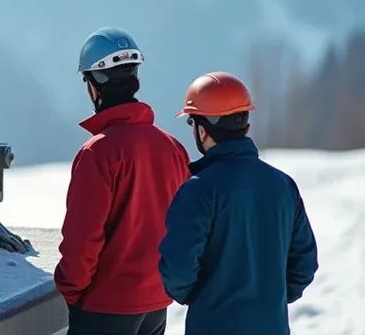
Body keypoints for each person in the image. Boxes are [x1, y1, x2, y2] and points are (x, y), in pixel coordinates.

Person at [158, 72, 319, 335]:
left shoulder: (197, 190)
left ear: (202, 129)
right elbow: (304, 264)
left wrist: (203, 298)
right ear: (245, 124)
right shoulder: (283, 185)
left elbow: (177, 269)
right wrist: (269, 299)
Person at [54, 28, 191, 335]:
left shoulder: (97, 153)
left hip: (104, 308)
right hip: (155, 305)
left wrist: (71, 290)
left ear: (94, 86)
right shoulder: (172, 148)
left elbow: (83, 237)